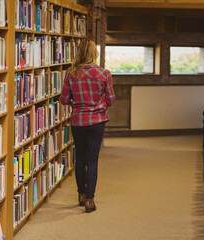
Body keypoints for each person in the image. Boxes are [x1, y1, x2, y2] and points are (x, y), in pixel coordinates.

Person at [59, 39, 115, 213]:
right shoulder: (105, 74)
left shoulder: (71, 74)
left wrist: (77, 102)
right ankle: (90, 199)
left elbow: (64, 99)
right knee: (92, 160)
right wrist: (98, 105)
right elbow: (111, 100)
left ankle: (81, 195)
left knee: (80, 159)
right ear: (94, 54)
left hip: (78, 121)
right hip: (97, 120)